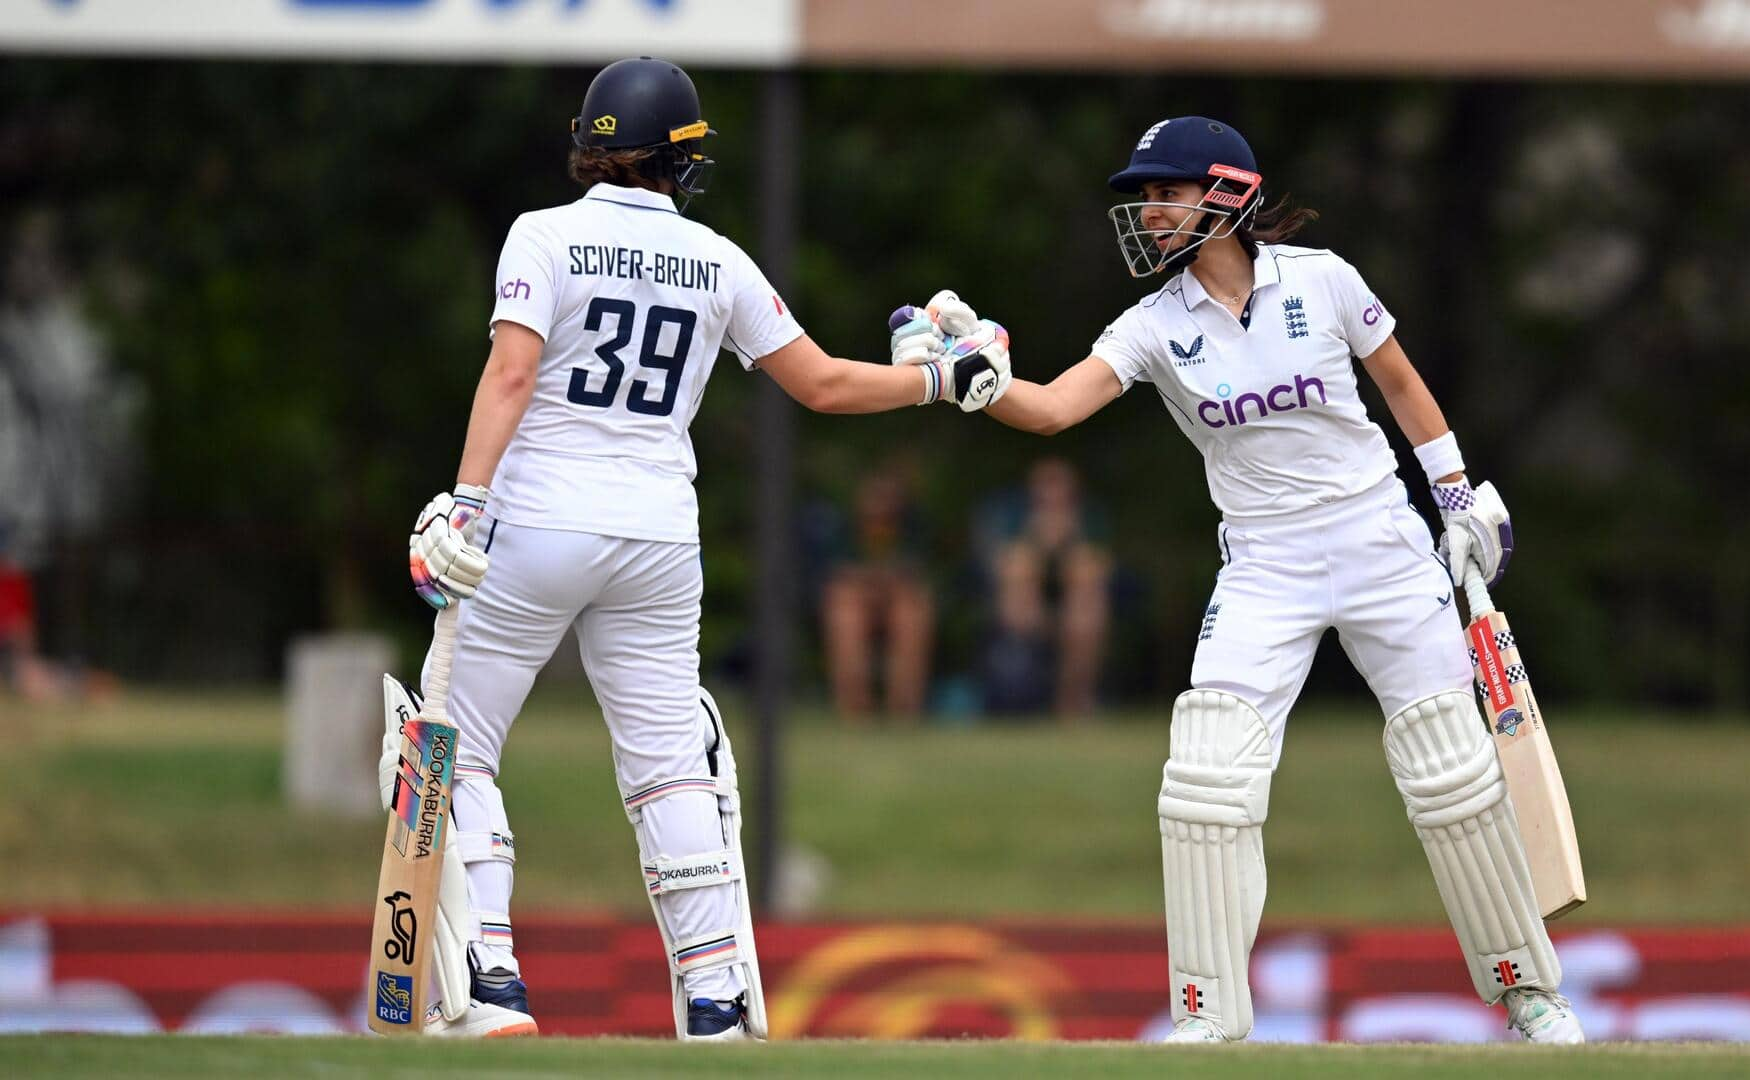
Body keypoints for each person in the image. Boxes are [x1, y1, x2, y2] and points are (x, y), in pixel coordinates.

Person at [916, 116, 1583, 1043]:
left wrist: (1458, 497)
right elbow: (1056, 407)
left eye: (1164, 192)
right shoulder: (1153, 326)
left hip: (1381, 540)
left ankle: (1529, 994)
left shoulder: (1324, 278)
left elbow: (1398, 380)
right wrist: (970, 379)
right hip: (1266, 561)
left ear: (1224, 194)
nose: (1148, 213)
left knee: (1451, 768)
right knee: (1205, 776)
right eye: (1142, 198)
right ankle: (1207, 1013)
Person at [392, 57, 1009, 1041]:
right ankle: (716, 994)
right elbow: (825, 386)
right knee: (670, 768)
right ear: (678, 161)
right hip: (658, 539)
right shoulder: (717, 260)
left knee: (456, 747)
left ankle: (494, 978)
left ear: (590, 147)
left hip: (539, 523)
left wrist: (465, 503)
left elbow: (512, 375)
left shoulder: (543, 236)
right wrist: (942, 380)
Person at [976, 457, 1111, 718]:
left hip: (1074, 609)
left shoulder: (1088, 520)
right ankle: (1021, 694)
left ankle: (1071, 702)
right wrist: (1036, 540)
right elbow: (1001, 565)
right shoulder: (1013, 517)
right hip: (1022, 608)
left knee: (1085, 602)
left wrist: (1068, 542)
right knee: (1019, 571)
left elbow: (1098, 568)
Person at [817, 463, 936, 720]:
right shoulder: (843, 528)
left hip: (898, 601)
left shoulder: (912, 527)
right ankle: (856, 709)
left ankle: (903, 709)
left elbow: (917, 574)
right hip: (856, 601)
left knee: (910, 614)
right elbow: (836, 575)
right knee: (845, 614)